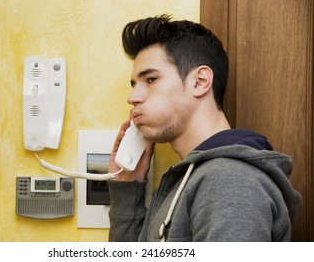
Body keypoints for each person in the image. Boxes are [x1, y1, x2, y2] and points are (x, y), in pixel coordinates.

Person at [107, 15, 302, 242]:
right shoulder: (194, 179)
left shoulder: (230, 182)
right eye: (135, 85)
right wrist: (126, 190)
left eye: (150, 79)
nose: (133, 98)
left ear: (200, 82)